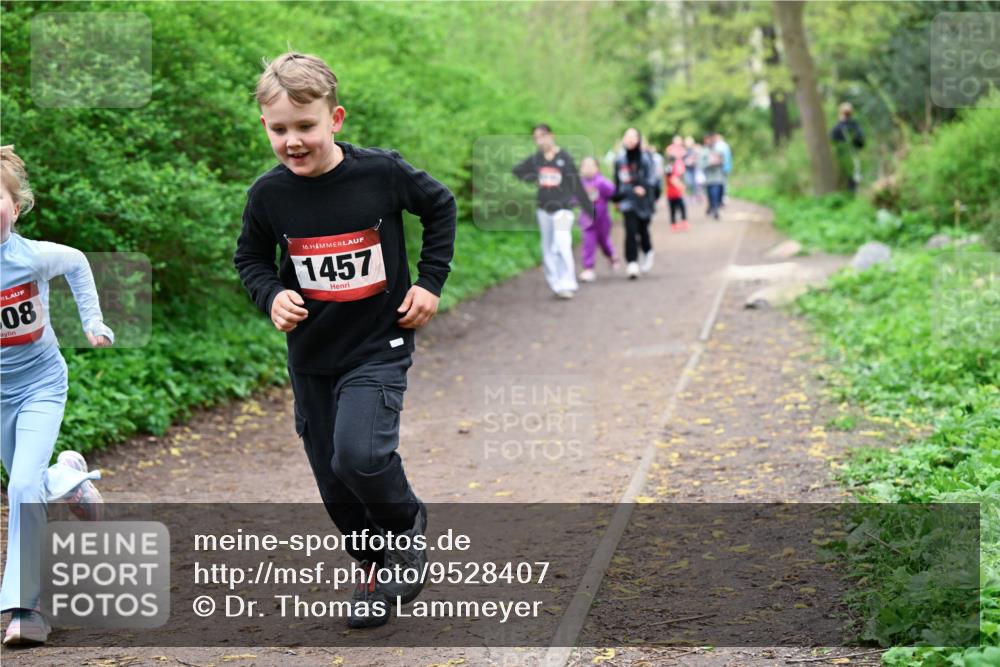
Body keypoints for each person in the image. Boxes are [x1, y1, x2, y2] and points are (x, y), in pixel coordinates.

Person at [233, 52, 456, 629]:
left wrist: (430, 283)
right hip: (312, 357)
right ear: (265, 127)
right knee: (333, 479)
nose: (293, 142)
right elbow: (251, 257)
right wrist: (270, 295)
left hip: (378, 345)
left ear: (335, 120)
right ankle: (375, 569)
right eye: (279, 130)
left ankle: (406, 524)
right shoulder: (268, 196)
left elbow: (440, 207)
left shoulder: (380, 173)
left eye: (305, 127)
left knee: (360, 455)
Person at [1, 145, 114, 646]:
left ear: (16, 205)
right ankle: (70, 481)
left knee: (21, 488)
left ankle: (28, 608)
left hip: (41, 385)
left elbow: (79, 261)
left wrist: (93, 321)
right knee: (29, 482)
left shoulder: (32, 257)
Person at [512, 124, 593, 299]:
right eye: (536, 138)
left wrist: (589, 210)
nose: (539, 141)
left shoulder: (565, 157)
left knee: (562, 242)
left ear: (551, 136)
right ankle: (556, 285)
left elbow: (577, 184)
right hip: (544, 210)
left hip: (563, 210)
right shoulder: (536, 159)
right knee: (547, 247)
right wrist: (534, 178)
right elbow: (517, 170)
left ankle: (568, 283)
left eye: (542, 136)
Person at [613, 128, 659, 279]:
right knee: (630, 231)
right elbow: (617, 181)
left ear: (639, 139)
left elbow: (653, 179)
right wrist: (616, 199)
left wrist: (644, 188)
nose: (630, 139)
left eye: (634, 137)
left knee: (643, 231)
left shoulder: (646, 159)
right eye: (627, 136)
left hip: (644, 202)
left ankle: (648, 251)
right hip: (627, 201)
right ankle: (632, 263)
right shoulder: (619, 160)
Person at [577, 156, 619, 282]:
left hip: (603, 220)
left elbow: (614, 193)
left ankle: (612, 256)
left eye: (591, 166)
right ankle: (588, 268)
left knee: (604, 242)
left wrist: (618, 203)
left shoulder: (602, 182)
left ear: (597, 168)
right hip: (587, 221)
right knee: (588, 243)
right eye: (585, 166)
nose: (588, 169)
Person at [831, 102, 865, 192]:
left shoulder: (836, 128)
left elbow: (833, 144)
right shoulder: (856, 126)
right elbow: (861, 142)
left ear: (840, 113)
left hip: (844, 160)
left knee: (848, 184)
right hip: (855, 157)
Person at [700, 133, 726, 220]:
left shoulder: (719, 151)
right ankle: (713, 209)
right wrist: (709, 163)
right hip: (709, 178)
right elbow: (701, 165)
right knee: (711, 195)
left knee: (718, 194)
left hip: (718, 178)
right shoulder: (704, 152)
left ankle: (714, 209)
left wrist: (719, 162)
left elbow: (724, 162)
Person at [665, 152, 689, 232]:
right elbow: (672, 179)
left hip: (674, 192)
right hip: (673, 192)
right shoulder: (669, 168)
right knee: (676, 208)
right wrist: (681, 186)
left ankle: (680, 223)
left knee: (678, 208)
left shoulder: (674, 167)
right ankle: (676, 224)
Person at [714, 133, 732, 205]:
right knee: (725, 182)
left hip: (720, 168)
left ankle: (721, 197)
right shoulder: (726, 145)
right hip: (727, 167)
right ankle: (725, 196)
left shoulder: (717, 146)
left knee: (719, 183)